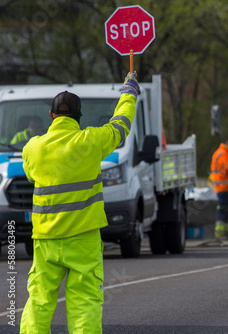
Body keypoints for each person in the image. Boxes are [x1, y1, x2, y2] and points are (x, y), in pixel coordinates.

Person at [19, 72, 140, 333]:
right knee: (84, 301)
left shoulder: (33, 148)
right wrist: (128, 94)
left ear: (51, 116)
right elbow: (120, 126)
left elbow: (30, 174)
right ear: (78, 117)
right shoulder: (90, 141)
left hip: (46, 239)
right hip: (83, 238)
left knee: (39, 300)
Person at [211, 138, 228, 239]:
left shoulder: (221, 152)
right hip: (223, 187)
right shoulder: (224, 154)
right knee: (223, 209)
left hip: (223, 186)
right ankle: (220, 233)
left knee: (225, 209)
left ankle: (226, 233)